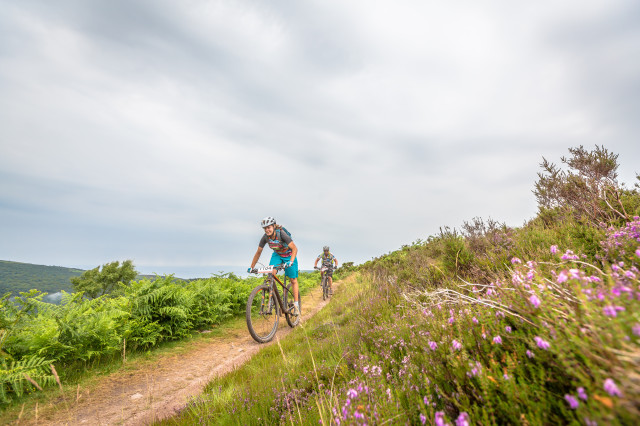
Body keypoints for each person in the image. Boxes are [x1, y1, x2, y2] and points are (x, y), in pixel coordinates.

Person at [248, 216, 300, 315]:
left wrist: (291, 261)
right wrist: (252, 267)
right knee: (271, 274)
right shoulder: (265, 237)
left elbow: (294, 248)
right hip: (277, 255)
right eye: (265, 228)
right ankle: (273, 298)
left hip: (289, 255)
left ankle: (296, 305)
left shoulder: (282, 234)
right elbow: (258, 252)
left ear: (273, 226)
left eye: (269, 227)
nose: (267, 230)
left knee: (293, 280)